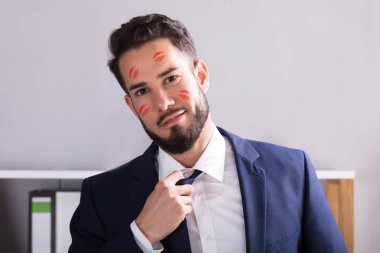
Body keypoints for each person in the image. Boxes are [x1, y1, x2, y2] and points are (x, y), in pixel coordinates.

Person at [69, 13, 348, 253]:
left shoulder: (291, 171)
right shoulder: (101, 197)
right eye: (142, 91)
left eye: (171, 78)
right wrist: (141, 234)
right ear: (132, 105)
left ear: (200, 75)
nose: (163, 103)